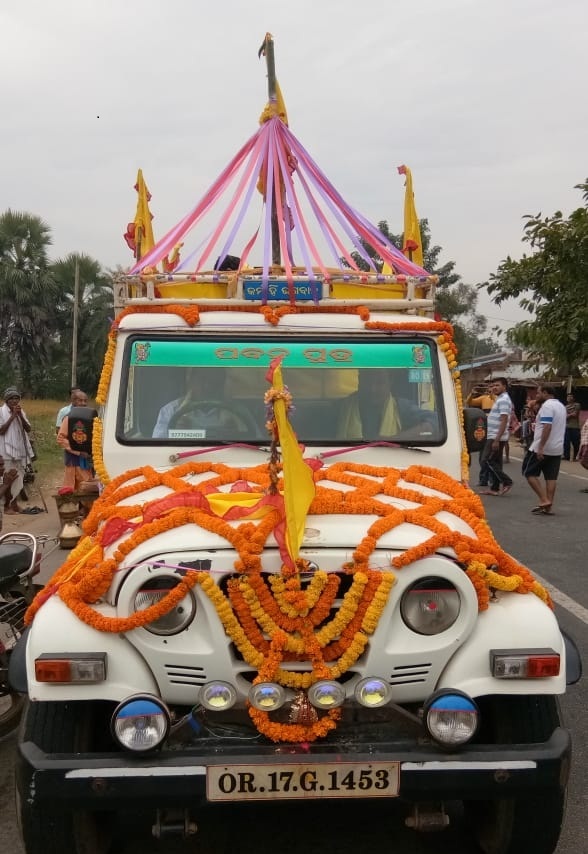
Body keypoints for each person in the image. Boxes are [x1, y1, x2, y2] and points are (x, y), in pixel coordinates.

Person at [152, 367, 249, 439]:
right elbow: (157, 447)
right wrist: (175, 432)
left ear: (221, 383)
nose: (207, 386)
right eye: (202, 380)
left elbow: (255, 443)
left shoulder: (239, 412)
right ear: (190, 381)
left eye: (214, 381)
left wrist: (237, 433)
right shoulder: (170, 410)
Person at [522, 384, 566, 514]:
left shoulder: (547, 406)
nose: (537, 396)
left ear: (546, 393)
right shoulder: (561, 406)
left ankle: (543, 499)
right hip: (557, 448)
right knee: (551, 477)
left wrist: (540, 447)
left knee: (528, 472)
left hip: (541, 447)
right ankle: (548, 506)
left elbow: (547, 426)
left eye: (539, 393)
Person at [337, 369, 401, 440]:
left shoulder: (401, 406)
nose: (372, 389)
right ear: (360, 380)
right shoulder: (342, 406)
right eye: (367, 381)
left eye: (380, 382)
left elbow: (416, 432)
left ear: (390, 382)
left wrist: (391, 440)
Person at [0, 387, 34, 514]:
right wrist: (12, 416)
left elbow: (28, 429)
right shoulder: (0, 412)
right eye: (12, 398)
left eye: (17, 398)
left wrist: (20, 415)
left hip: (19, 450)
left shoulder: (21, 412)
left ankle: (14, 504)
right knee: (8, 478)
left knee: (19, 477)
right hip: (5, 451)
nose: (15, 401)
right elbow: (1, 430)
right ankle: (6, 506)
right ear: (7, 400)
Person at [478, 377, 513, 497]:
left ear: (504, 386)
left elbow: (504, 420)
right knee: (495, 461)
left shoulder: (503, 400)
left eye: (497, 385)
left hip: (495, 436)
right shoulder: (500, 399)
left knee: (486, 460)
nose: (494, 388)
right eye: (493, 386)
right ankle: (494, 487)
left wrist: (496, 439)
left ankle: (507, 481)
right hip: (495, 435)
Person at [56, 390, 95, 490]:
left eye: (85, 401)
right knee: (73, 491)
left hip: (87, 461)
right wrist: (79, 452)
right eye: (80, 400)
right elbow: (60, 439)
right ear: (73, 401)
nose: (83, 403)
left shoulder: (90, 417)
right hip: (74, 461)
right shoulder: (69, 418)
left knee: (87, 490)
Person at [466, 384, 497, 486]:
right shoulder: (484, 398)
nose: (490, 389)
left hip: (494, 431)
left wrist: (493, 396)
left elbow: (498, 405)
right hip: (484, 430)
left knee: (489, 458)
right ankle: (484, 479)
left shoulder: (500, 399)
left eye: (493, 387)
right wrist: (472, 394)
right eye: (490, 387)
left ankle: (494, 479)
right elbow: (469, 402)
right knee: (482, 458)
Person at [0, 454, 19, 530]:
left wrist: (9, 484)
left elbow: (7, 503)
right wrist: (6, 484)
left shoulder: (2, 478)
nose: (3, 468)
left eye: (2, 465)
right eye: (0, 465)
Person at [563, 392, 581, 461]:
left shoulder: (577, 405)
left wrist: (568, 415)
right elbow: (565, 416)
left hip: (575, 427)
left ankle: (575, 457)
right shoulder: (565, 407)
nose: (569, 398)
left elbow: (575, 414)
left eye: (571, 396)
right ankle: (566, 456)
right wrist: (570, 414)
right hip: (567, 427)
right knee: (566, 443)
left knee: (576, 443)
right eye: (568, 397)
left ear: (573, 398)